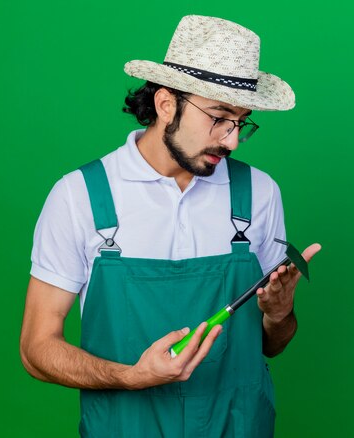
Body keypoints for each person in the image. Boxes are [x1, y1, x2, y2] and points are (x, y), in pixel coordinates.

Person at [20, 15, 321, 437]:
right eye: (219, 117)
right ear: (165, 104)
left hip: (237, 425)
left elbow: (272, 343)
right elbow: (37, 349)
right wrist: (131, 376)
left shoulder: (259, 193)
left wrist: (279, 313)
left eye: (242, 122)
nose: (231, 140)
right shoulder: (80, 196)